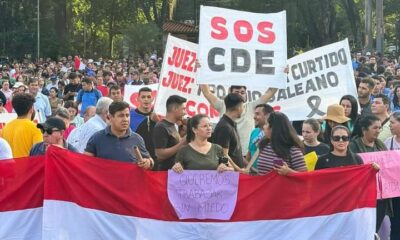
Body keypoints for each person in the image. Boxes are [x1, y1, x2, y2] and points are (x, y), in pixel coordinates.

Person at [201, 84, 278, 154]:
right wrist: (200, 70)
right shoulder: (222, 106)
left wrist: (281, 75)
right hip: (227, 155)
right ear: (230, 93)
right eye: (237, 92)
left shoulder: (252, 107)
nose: (240, 94)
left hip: (246, 155)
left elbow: (269, 93)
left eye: (242, 92)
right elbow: (207, 93)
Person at [349, 115, 390, 233]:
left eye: (380, 128)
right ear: (364, 130)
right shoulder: (353, 146)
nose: (378, 131)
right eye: (375, 128)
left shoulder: (381, 145)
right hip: (361, 196)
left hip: (380, 197)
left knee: (374, 229)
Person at [84, 101, 153, 170]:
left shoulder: (137, 139)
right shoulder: (97, 138)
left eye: (127, 115)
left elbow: (149, 161)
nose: (125, 119)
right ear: (110, 117)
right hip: (103, 180)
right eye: (121, 116)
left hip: (128, 180)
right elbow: (85, 163)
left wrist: (148, 162)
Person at [2, 93, 43, 157]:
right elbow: (38, 154)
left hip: (9, 166)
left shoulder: (6, 127)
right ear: (31, 109)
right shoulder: (35, 128)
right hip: (27, 166)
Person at [153, 95, 187, 170]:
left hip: (175, 172)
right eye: (183, 109)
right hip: (165, 174)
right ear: (175, 109)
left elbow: (173, 144)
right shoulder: (161, 127)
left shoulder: (174, 125)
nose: (185, 112)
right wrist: (182, 143)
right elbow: (159, 155)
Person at [212, 93, 245, 168]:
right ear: (239, 107)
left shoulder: (230, 124)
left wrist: (248, 166)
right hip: (230, 175)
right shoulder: (225, 127)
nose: (243, 109)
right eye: (243, 106)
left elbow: (235, 152)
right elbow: (224, 155)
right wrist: (238, 169)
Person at [130, 87, 159, 161]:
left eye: (149, 97)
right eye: (143, 97)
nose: (146, 99)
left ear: (152, 99)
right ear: (138, 99)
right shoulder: (130, 115)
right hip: (137, 158)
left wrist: (158, 121)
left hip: (157, 158)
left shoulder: (159, 115)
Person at [384, 112, 400, 239]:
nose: (390, 125)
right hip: (393, 191)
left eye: (393, 122)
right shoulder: (387, 142)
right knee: (395, 223)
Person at [245, 104, 274, 171]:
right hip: (253, 175)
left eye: (257, 114)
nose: (254, 117)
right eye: (254, 114)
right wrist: (247, 169)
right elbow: (249, 153)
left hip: (266, 175)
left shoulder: (273, 134)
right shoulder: (254, 132)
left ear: (267, 116)